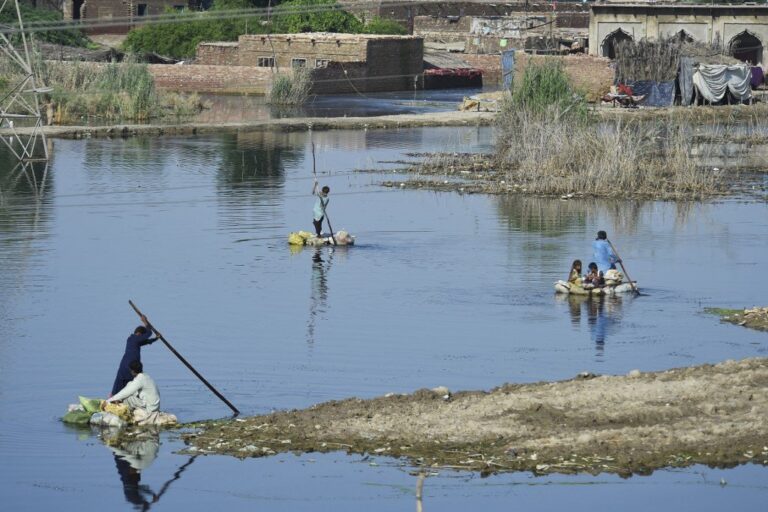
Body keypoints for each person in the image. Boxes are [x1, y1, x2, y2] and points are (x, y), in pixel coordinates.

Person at [111, 315, 157, 396]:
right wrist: (145, 321)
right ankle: (113, 400)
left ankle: (115, 399)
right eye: (143, 336)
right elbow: (149, 333)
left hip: (125, 367)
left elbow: (144, 342)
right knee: (129, 387)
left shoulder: (132, 339)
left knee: (122, 387)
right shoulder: (135, 338)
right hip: (131, 368)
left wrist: (155, 339)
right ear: (139, 334)